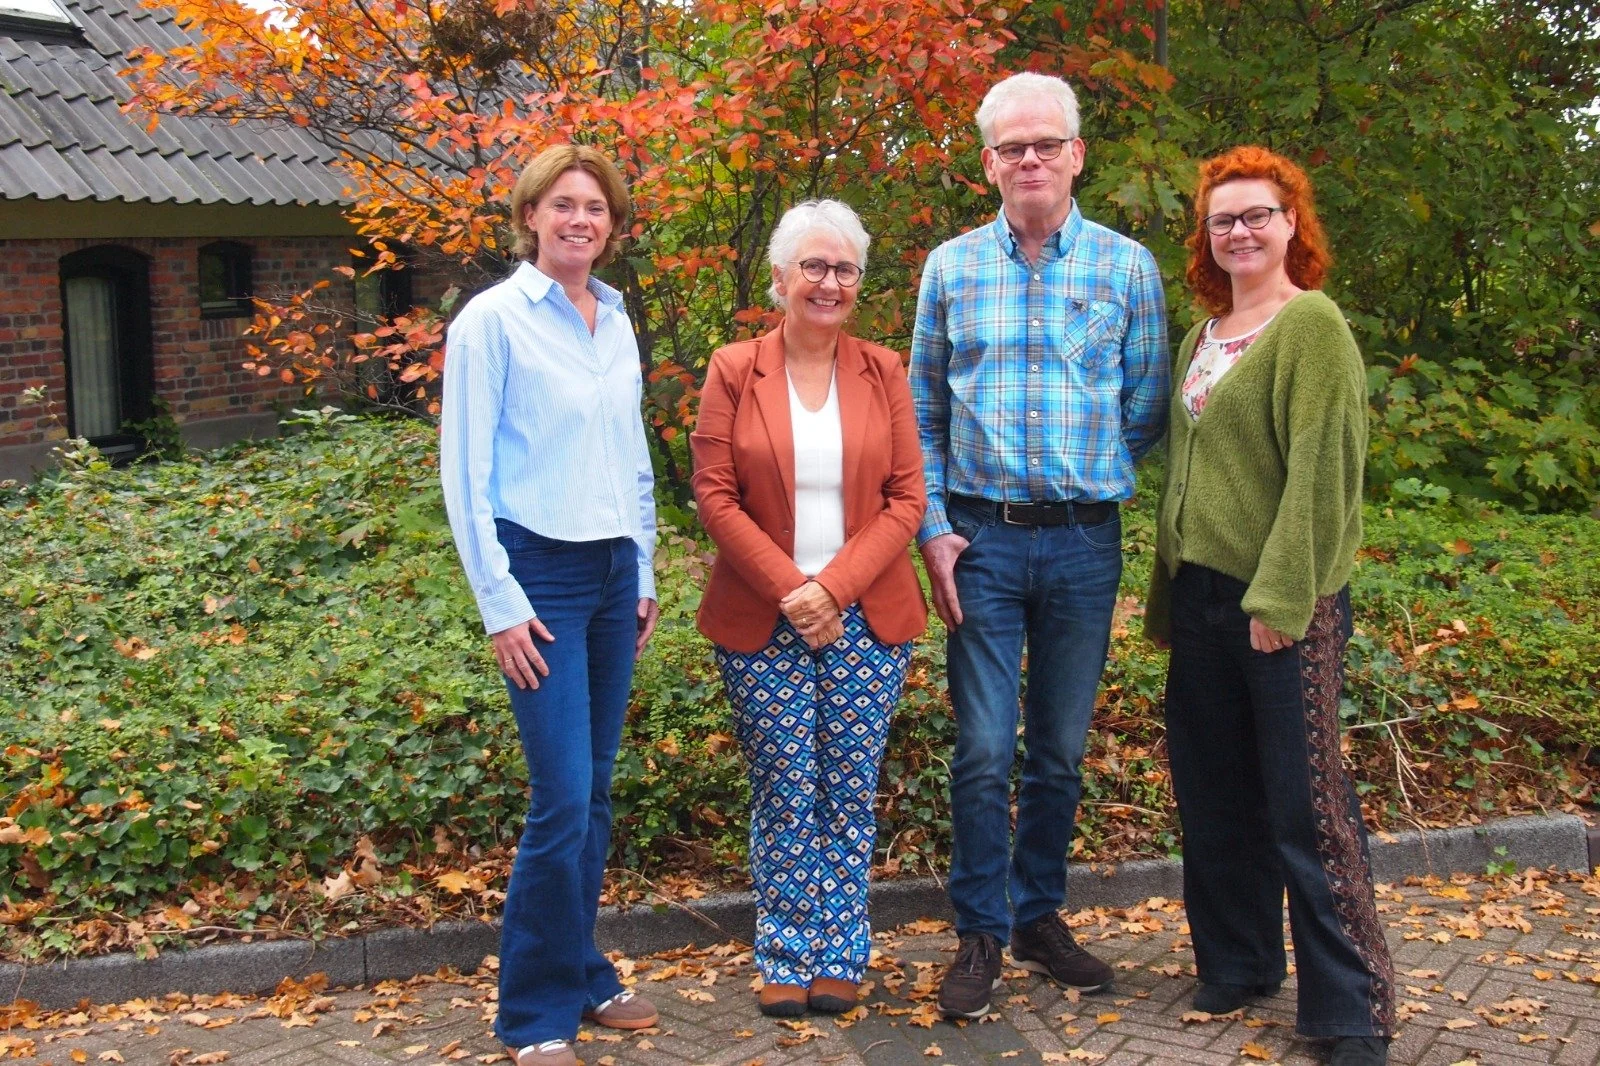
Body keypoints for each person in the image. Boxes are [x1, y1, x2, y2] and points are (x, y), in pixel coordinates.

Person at [909, 71, 1170, 1019]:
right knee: (981, 751)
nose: (1030, 159)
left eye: (1045, 144)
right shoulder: (950, 268)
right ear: (988, 164)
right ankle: (979, 931)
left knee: (1058, 750)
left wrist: (1083, 471)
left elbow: (1144, 407)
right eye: (1012, 147)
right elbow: (922, 415)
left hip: (1082, 546)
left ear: (1076, 155)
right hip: (979, 542)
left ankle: (1040, 916)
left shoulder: (1127, 268)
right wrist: (935, 530)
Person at [1143, 146, 1394, 1066]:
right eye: (1223, 219)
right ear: (1206, 235)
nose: (1240, 231)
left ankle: (1351, 1007)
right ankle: (1240, 962)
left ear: (1294, 223)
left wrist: (1283, 596)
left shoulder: (1312, 326)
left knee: (1306, 805)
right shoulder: (1203, 336)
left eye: (1257, 214)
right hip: (1204, 598)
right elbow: (1190, 477)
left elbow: (1324, 477)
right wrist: (1170, 596)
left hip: (1284, 602)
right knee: (1214, 796)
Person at [439, 144, 662, 1066]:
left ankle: (579, 967)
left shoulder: (613, 320)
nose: (581, 220)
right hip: (539, 576)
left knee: (597, 791)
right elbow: (466, 473)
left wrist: (644, 566)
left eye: (596, 208)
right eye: (563, 204)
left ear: (611, 227)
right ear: (531, 215)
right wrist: (499, 602)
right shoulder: (490, 323)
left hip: (613, 575)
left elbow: (632, 455)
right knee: (562, 798)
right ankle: (533, 1016)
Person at [691, 199, 928, 1019]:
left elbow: (906, 499)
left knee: (849, 785)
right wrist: (794, 589)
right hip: (764, 614)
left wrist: (834, 590)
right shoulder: (732, 369)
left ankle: (841, 948)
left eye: (845, 269)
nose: (829, 283)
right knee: (786, 785)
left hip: (867, 614)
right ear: (782, 277)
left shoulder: (884, 371)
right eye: (814, 267)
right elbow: (714, 496)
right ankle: (786, 950)